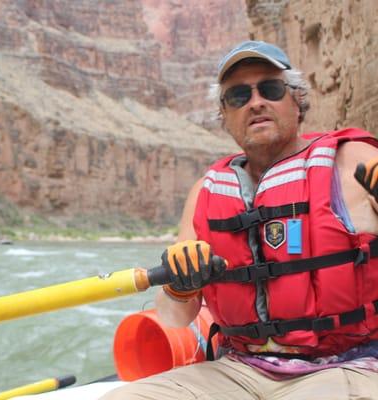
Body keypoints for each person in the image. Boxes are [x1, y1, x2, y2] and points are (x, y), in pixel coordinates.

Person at [101, 40, 378, 399]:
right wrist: (181, 286)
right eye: (238, 96)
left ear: (297, 101)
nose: (256, 102)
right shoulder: (206, 191)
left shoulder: (351, 160)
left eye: (271, 88)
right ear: (225, 114)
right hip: (239, 369)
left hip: (347, 365)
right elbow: (174, 318)